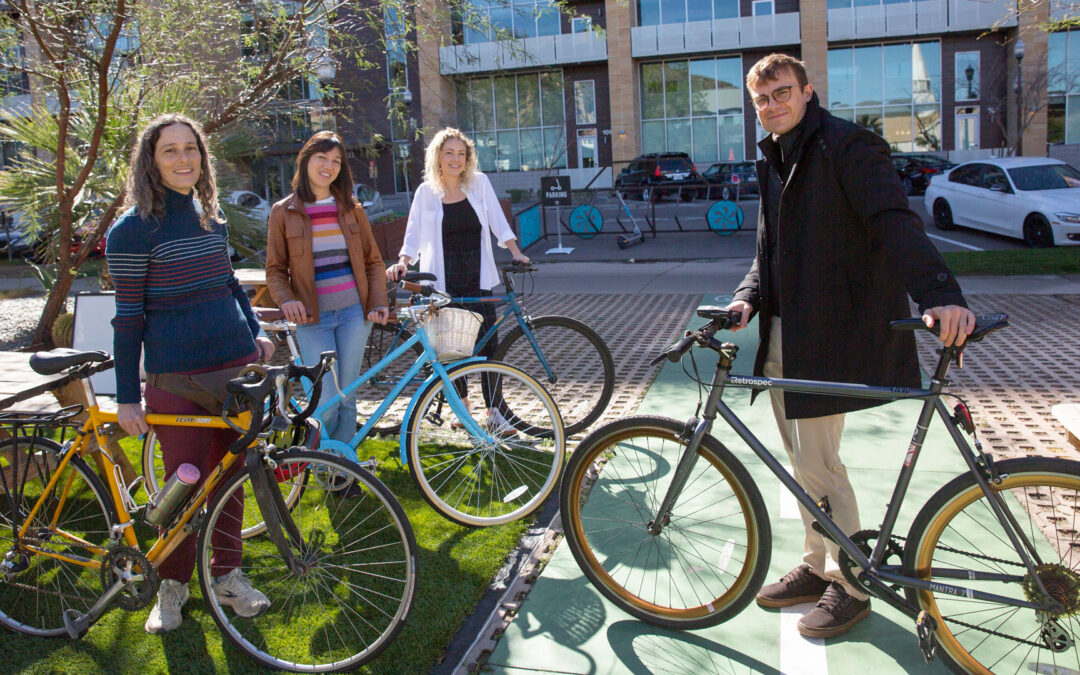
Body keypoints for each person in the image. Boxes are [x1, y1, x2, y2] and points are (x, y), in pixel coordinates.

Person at [726, 54, 976, 638]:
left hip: (831, 332)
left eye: (782, 93)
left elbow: (893, 220)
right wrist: (747, 297)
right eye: (762, 100)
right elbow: (771, 250)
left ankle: (851, 585)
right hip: (788, 330)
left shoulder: (847, 145)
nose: (772, 106)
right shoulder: (775, 155)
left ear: (808, 91)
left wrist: (939, 293)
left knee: (819, 464)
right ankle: (818, 566)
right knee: (802, 465)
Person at [106, 113, 275, 634]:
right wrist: (127, 398)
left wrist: (256, 334)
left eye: (190, 149)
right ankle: (172, 585)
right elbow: (128, 319)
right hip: (174, 381)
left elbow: (228, 285)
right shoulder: (131, 232)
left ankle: (226, 575)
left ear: (202, 157)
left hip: (235, 370)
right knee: (183, 487)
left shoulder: (210, 216)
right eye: (170, 151)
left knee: (231, 476)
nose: (183, 159)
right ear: (151, 163)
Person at [386, 127, 529, 424]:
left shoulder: (479, 184)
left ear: (468, 159)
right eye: (449, 152)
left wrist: (515, 251)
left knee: (489, 344)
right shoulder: (426, 192)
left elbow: (497, 222)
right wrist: (403, 261)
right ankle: (462, 409)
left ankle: (494, 412)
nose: (455, 159)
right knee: (450, 349)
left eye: (461, 154)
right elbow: (412, 234)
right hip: (442, 279)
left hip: (477, 275)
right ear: (438, 156)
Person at [265, 131, 389, 444]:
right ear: (306, 160)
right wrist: (286, 299)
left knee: (347, 395)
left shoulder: (352, 208)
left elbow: (374, 262)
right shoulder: (284, 212)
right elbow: (275, 269)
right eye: (322, 157)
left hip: (353, 314)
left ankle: (343, 474)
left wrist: (378, 301)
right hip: (312, 318)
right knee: (324, 399)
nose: (328, 165)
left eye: (336, 160)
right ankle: (322, 463)